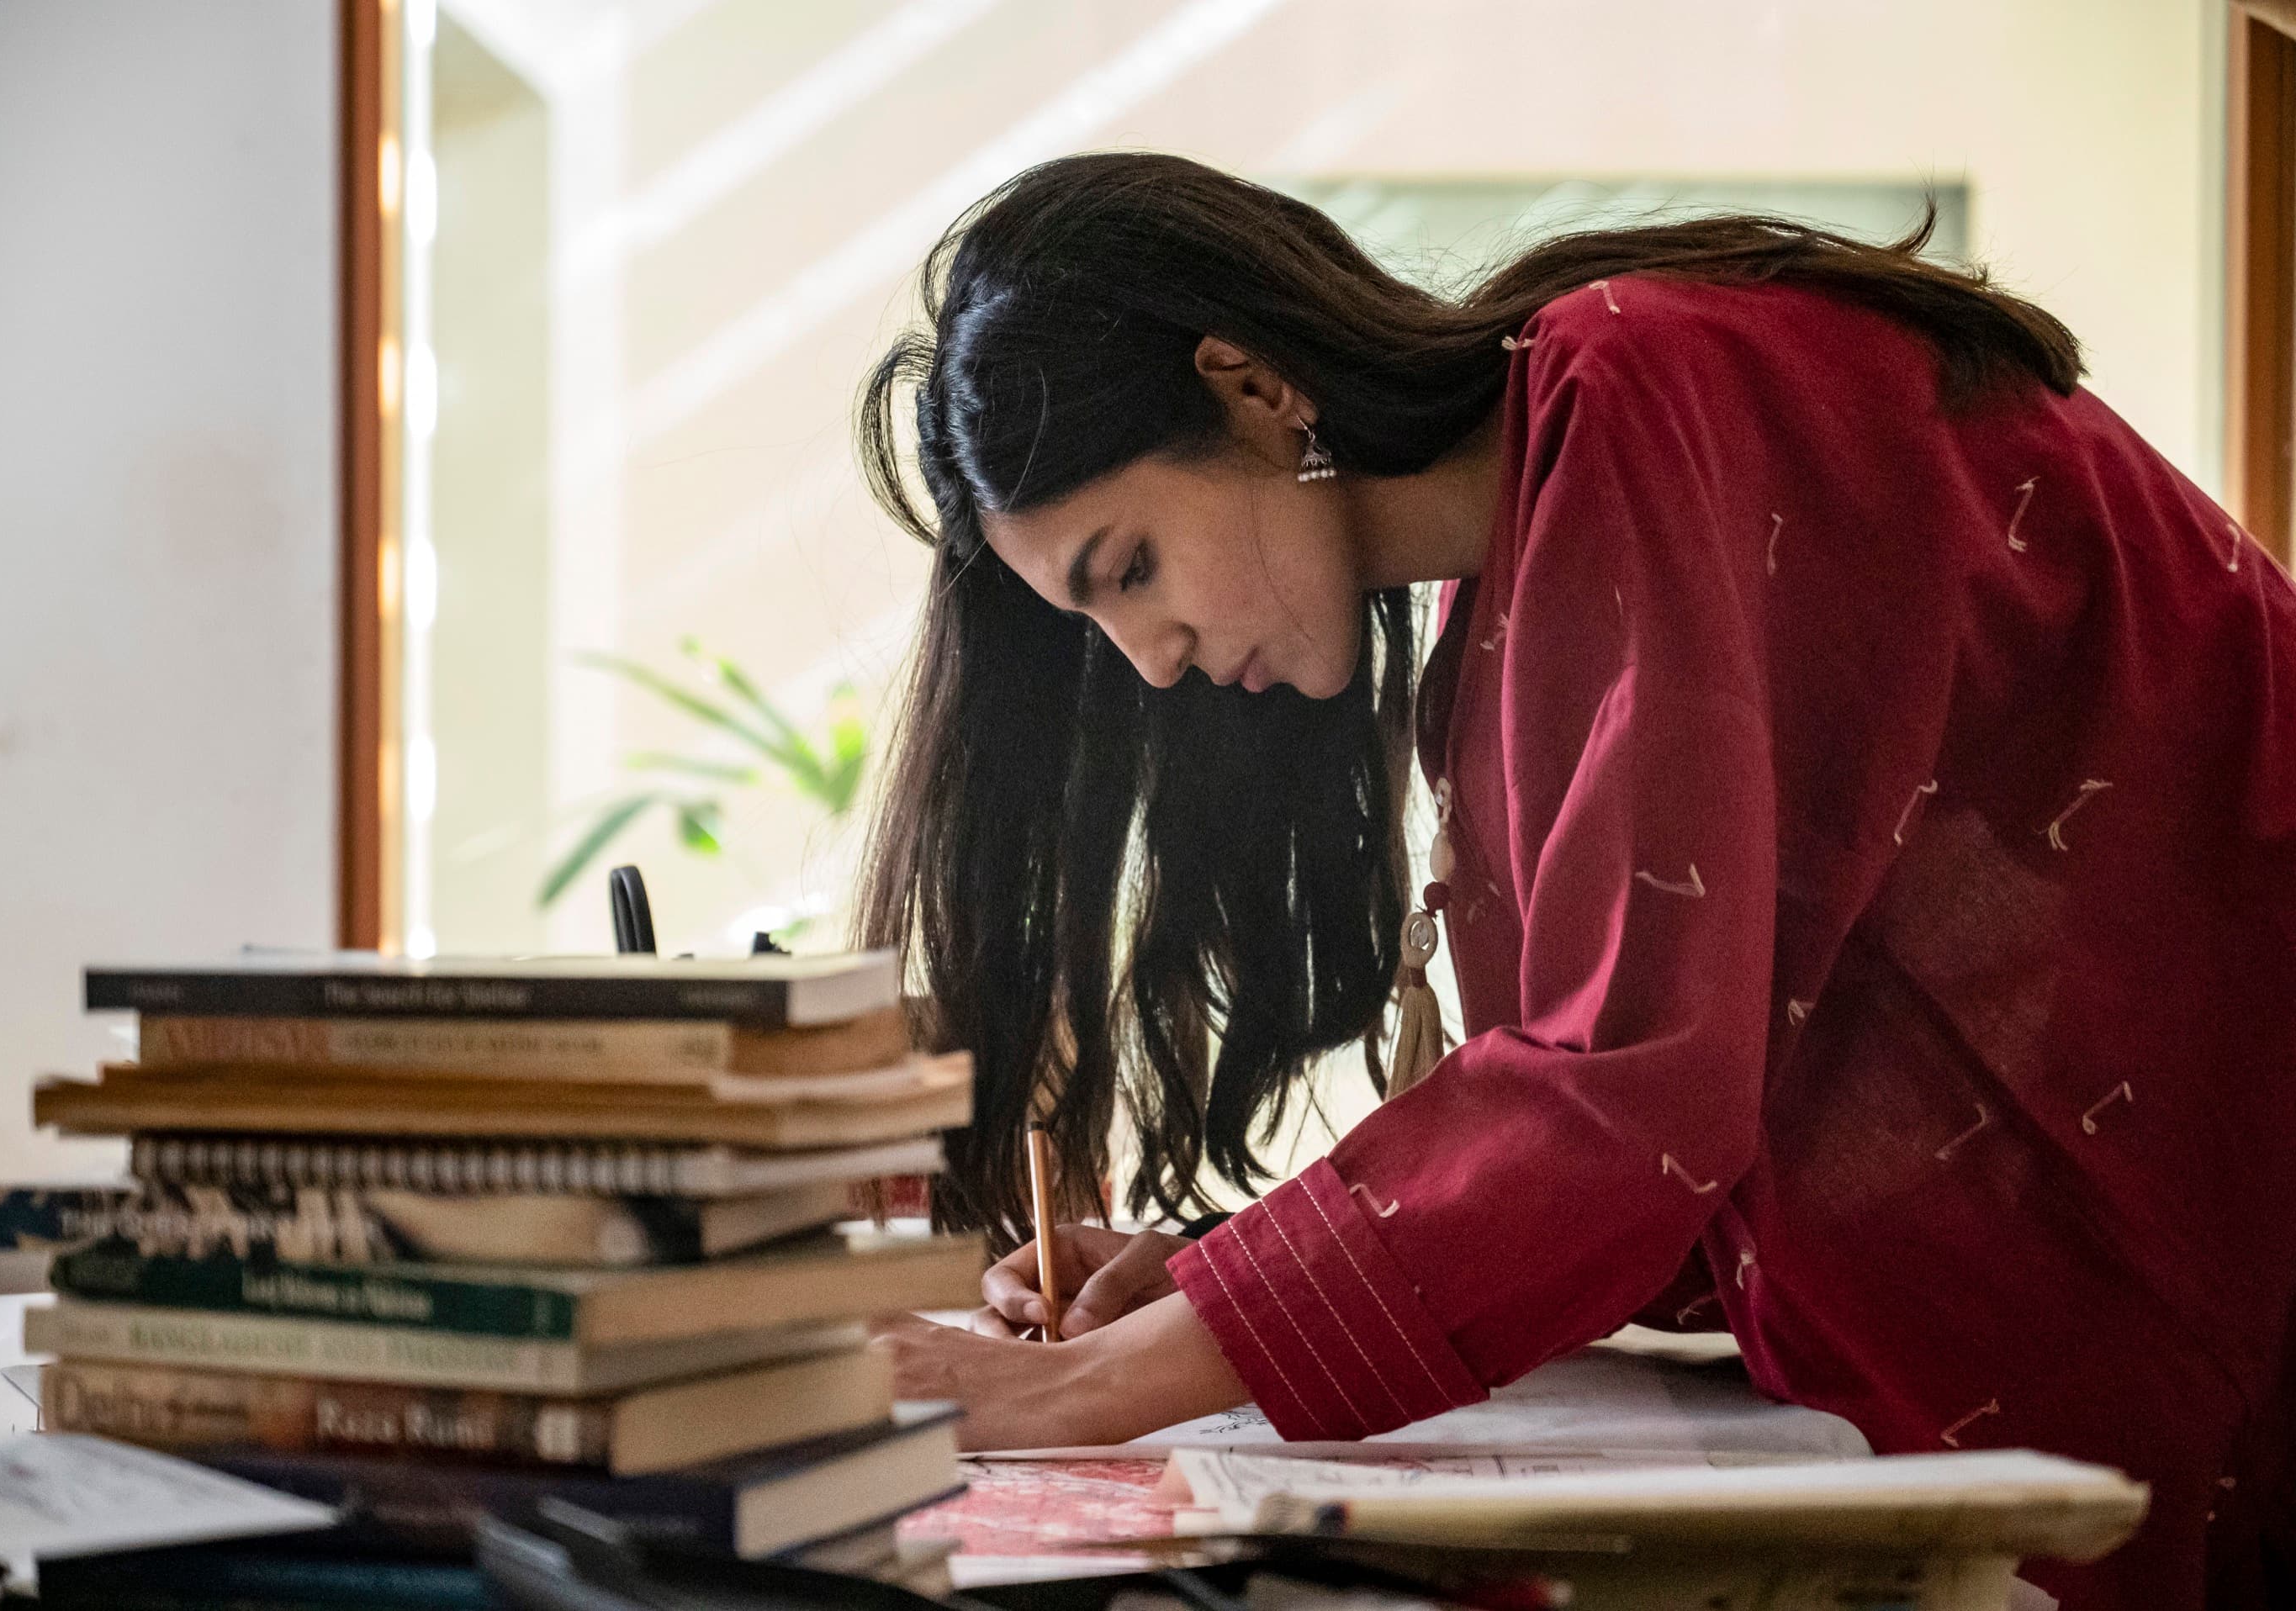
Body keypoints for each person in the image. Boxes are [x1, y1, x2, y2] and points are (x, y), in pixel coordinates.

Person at [853, 152, 2296, 1610]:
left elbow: (1627, 1114)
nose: (1151, 660)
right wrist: (1217, 1284)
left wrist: (1081, 1390)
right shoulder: (1505, 609)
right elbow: (1664, 1179)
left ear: (1251, 385)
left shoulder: (1642, 382)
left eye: (1130, 569)